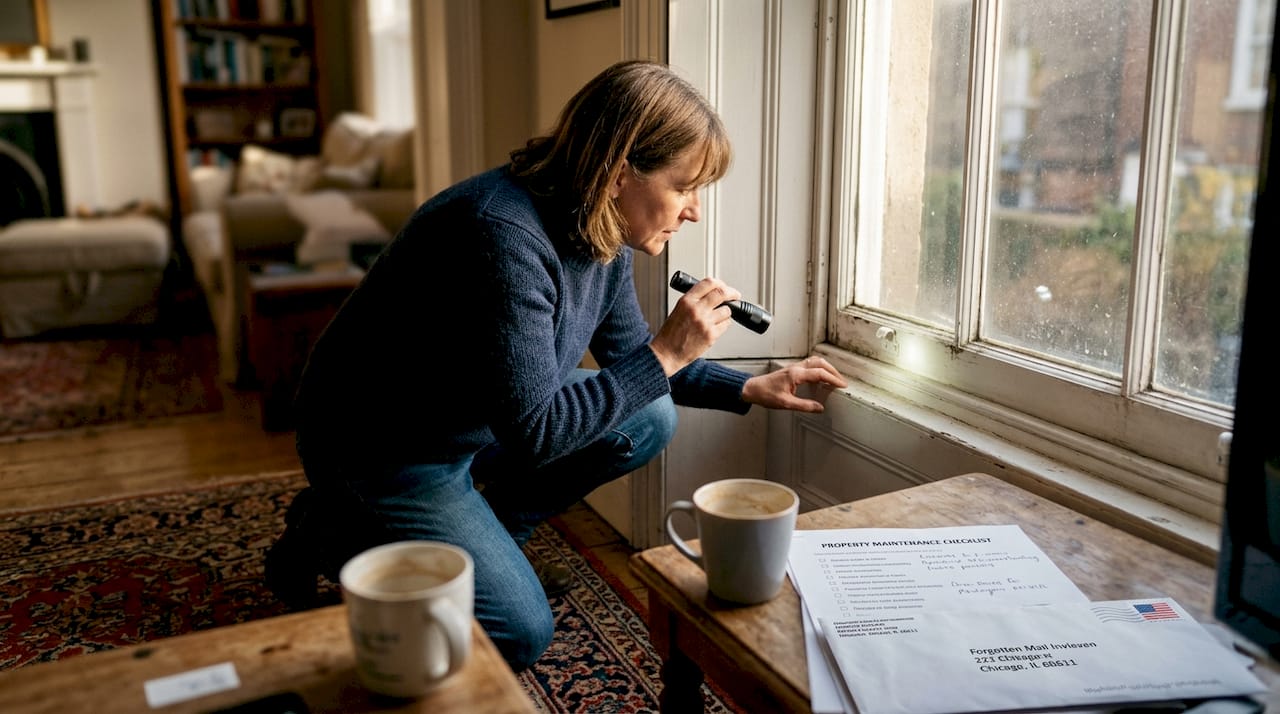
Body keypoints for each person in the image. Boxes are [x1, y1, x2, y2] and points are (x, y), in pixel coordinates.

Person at [265, 59, 849, 672]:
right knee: (520, 632)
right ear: (621, 172)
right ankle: (329, 526)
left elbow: (630, 362)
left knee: (648, 416)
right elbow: (539, 433)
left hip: (478, 414)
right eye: (684, 187)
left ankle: (492, 536)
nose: (694, 210)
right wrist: (670, 350)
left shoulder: (598, 226)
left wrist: (753, 386)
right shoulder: (501, 234)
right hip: (383, 445)